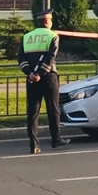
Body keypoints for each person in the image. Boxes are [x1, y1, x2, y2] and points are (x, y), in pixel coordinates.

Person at [18, 8, 71, 155]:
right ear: (47, 21)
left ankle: (33, 144)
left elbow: (21, 57)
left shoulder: (26, 37)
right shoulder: (52, 35)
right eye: (51, 19)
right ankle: (56, 139)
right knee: (53, 109)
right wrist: (40, 73)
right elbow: (51, 57)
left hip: (31, 78)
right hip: (48, 77)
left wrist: (29, 73)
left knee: (33, 111)